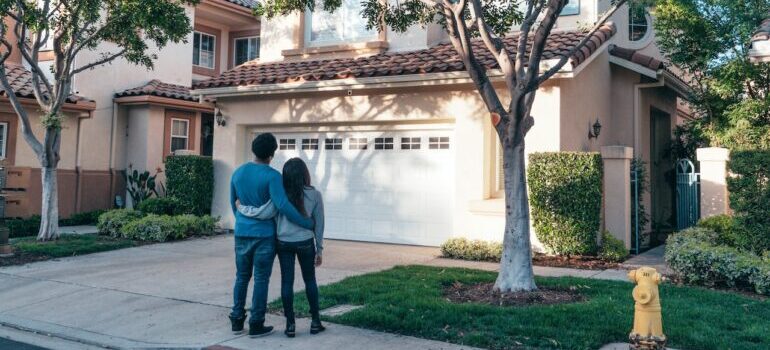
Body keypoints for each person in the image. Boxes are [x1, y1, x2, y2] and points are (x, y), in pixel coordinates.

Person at [229, 133, 314, 338]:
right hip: (264, 236)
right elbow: (283, 205)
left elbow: (234, 204)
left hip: (242, 233)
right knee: (260, 279)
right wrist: (306, 222)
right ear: (272, 153)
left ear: (254, 150)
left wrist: (244, 223)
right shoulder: (272, 176)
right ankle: (256, 323)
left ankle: (237, 319)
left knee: (241, 277)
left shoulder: (238, 173)